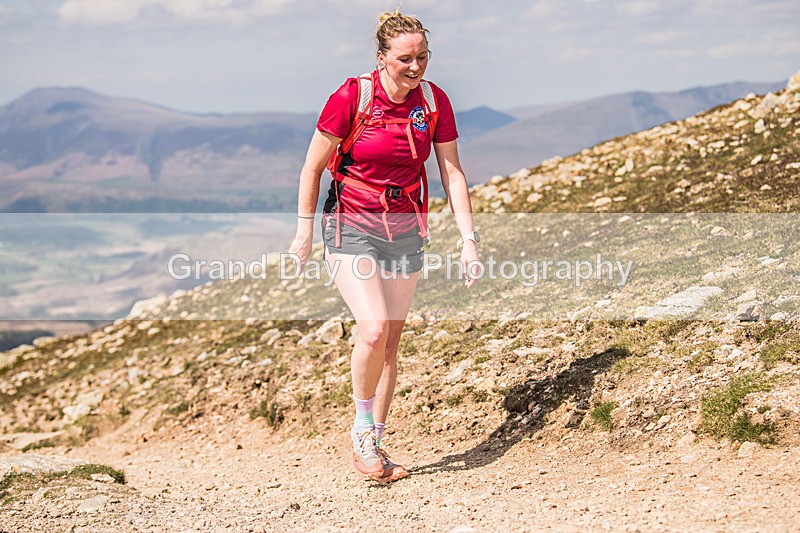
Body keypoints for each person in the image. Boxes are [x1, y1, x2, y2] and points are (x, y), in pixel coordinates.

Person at [288, 6, 480, 483]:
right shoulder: (352, 96)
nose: (415, 68)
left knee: (391, 343)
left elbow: (451, 172)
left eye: (423, 57)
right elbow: (312, 168)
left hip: (406, 229)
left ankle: (374, 439)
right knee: (373, 329)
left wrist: (469, 239)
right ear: (381, 57)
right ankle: (359, 429)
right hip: (350, 223)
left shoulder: (434, 102)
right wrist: (304, 231)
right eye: (404, 59)